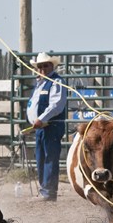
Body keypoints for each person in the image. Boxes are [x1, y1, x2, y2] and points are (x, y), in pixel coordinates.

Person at [26, 52, 67, 201]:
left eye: (45, 65)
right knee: (41, 158)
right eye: (40, 66)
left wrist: (41, 118)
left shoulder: (57, 82)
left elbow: (56, 105)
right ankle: (45, 189)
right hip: (41, 127)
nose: (42, 68)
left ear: (52, 66)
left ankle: (49, 192)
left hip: (51, 125)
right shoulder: (40, 83)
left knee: (50, 157)